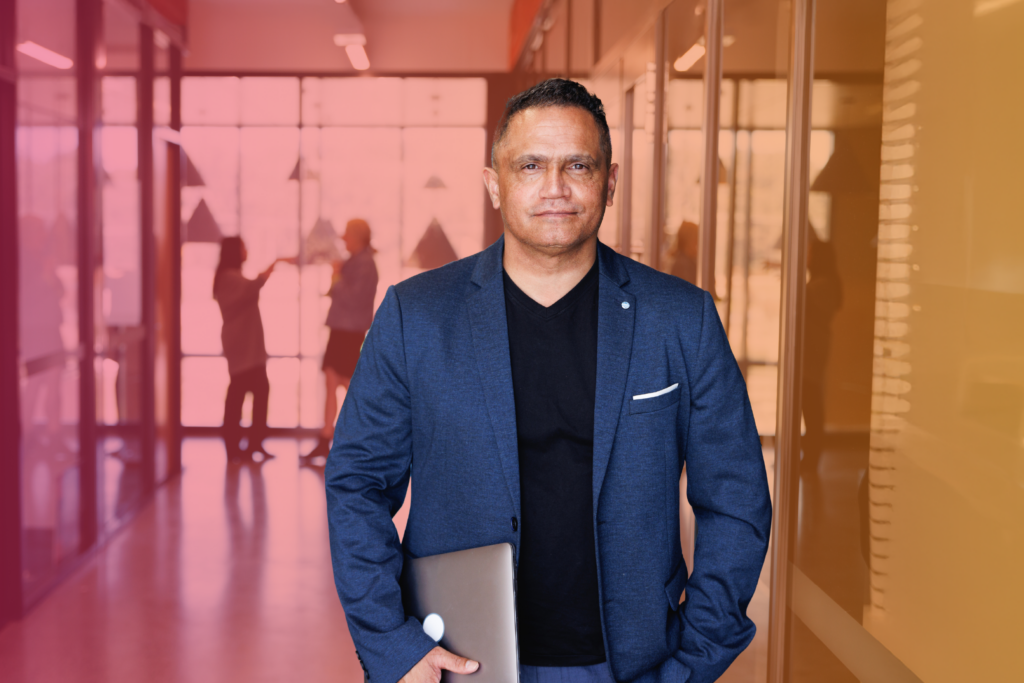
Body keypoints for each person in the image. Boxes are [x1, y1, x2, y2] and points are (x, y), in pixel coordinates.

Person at [326, 79, 771, 683]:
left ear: (609, 183)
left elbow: (735, 498)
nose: (555, 188)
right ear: (494, 183)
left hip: (635, 663)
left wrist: (696, 659)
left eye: (578, 166)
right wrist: (392, 643)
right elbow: (357, 483)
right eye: (530, 165)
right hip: (461, 660)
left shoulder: (679, 318)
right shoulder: (416, 316)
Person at [303, 219, 379, 460]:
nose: (343, 239)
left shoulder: (365, 264)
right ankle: (326, 436)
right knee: (332, 379)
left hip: (349, 330)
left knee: (347, 382)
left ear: (357, 237)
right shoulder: (355, 262)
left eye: (347, 234)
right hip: (341, 328)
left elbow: (353, 297)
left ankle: (368, 436)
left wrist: (337, 277)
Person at [213, 236, 290, 462]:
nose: (246, 250)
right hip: (241, 346)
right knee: (240, 394)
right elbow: (251, 288)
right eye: (242, 247)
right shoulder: (228, 278)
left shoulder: (231, 276)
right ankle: (237, 446)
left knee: (255, 392)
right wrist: (273, 265)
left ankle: (251, 444)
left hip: (249, 346)